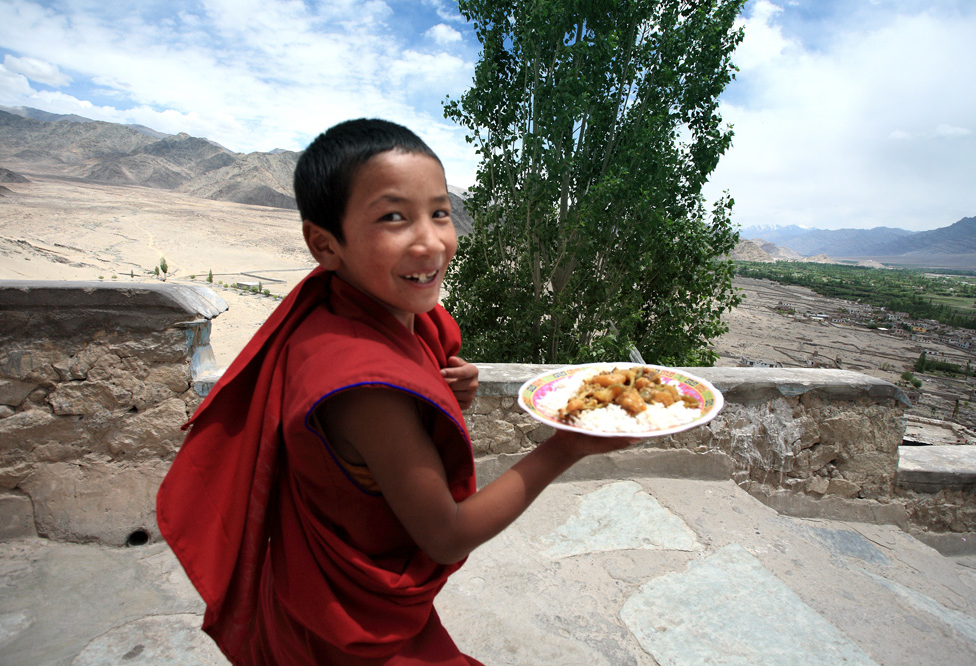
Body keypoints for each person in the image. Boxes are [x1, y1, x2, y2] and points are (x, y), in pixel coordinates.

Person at [157, 118, 638, 665]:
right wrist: (566, 446)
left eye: (440, 212)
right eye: (393, 217)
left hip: (315, 599)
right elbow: (447, 536)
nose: (431, 241)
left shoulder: (356, 314)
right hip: (344, 634)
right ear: (325, 244)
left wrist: (439, 390)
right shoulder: (365, 389)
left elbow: (392, 405)